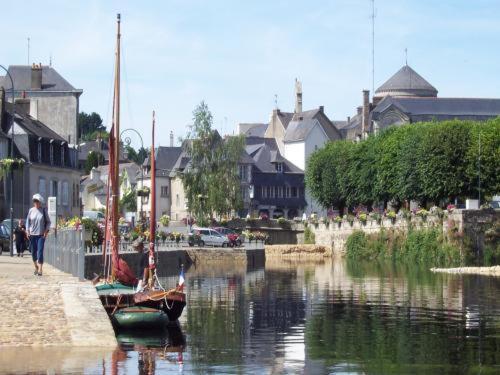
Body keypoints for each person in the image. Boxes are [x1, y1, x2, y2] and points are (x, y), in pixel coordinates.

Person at [26, 194, 50, 276]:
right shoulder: (31, 210)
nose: (36, 203)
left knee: (40, 252)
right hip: (32, 235)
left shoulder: (43, 210)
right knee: (33, 252)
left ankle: (40, 269)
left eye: (37, 201)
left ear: (40, 202)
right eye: (34, 201)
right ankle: (36, 266)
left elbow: (48, 222)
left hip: (40, 235)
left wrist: (46, 231)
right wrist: (27, 231)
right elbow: (27, 222)